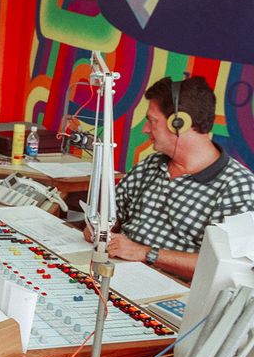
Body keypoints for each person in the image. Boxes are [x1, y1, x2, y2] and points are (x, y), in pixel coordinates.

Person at [87, 76, 254, 280]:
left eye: (152, 120)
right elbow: (112, 217)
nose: (145, 129)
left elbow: (226, 266)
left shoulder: (239, 187)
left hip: (173, 293)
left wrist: (145, 253)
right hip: (119, 272)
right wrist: (98, 230)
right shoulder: (151, 164)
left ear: (180, 123)